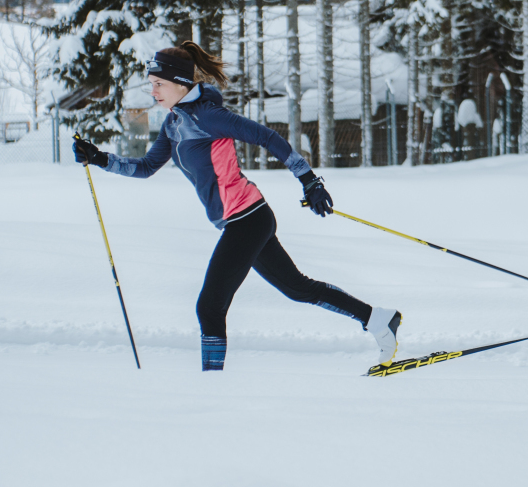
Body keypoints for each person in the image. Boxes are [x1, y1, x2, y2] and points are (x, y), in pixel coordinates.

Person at [73, 41, 403, 371]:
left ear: (180, 83)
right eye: (152, 84)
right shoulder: (174, 124)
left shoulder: (209, 116)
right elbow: (145, 167)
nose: (153, 91)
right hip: (245, 220)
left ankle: (212, 386)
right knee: (297, 288)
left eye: (158, 84)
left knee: (209, 307)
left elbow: (269, 138)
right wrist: (100, 159)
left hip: (247, 218)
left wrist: (309, 180)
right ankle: (378, 319)